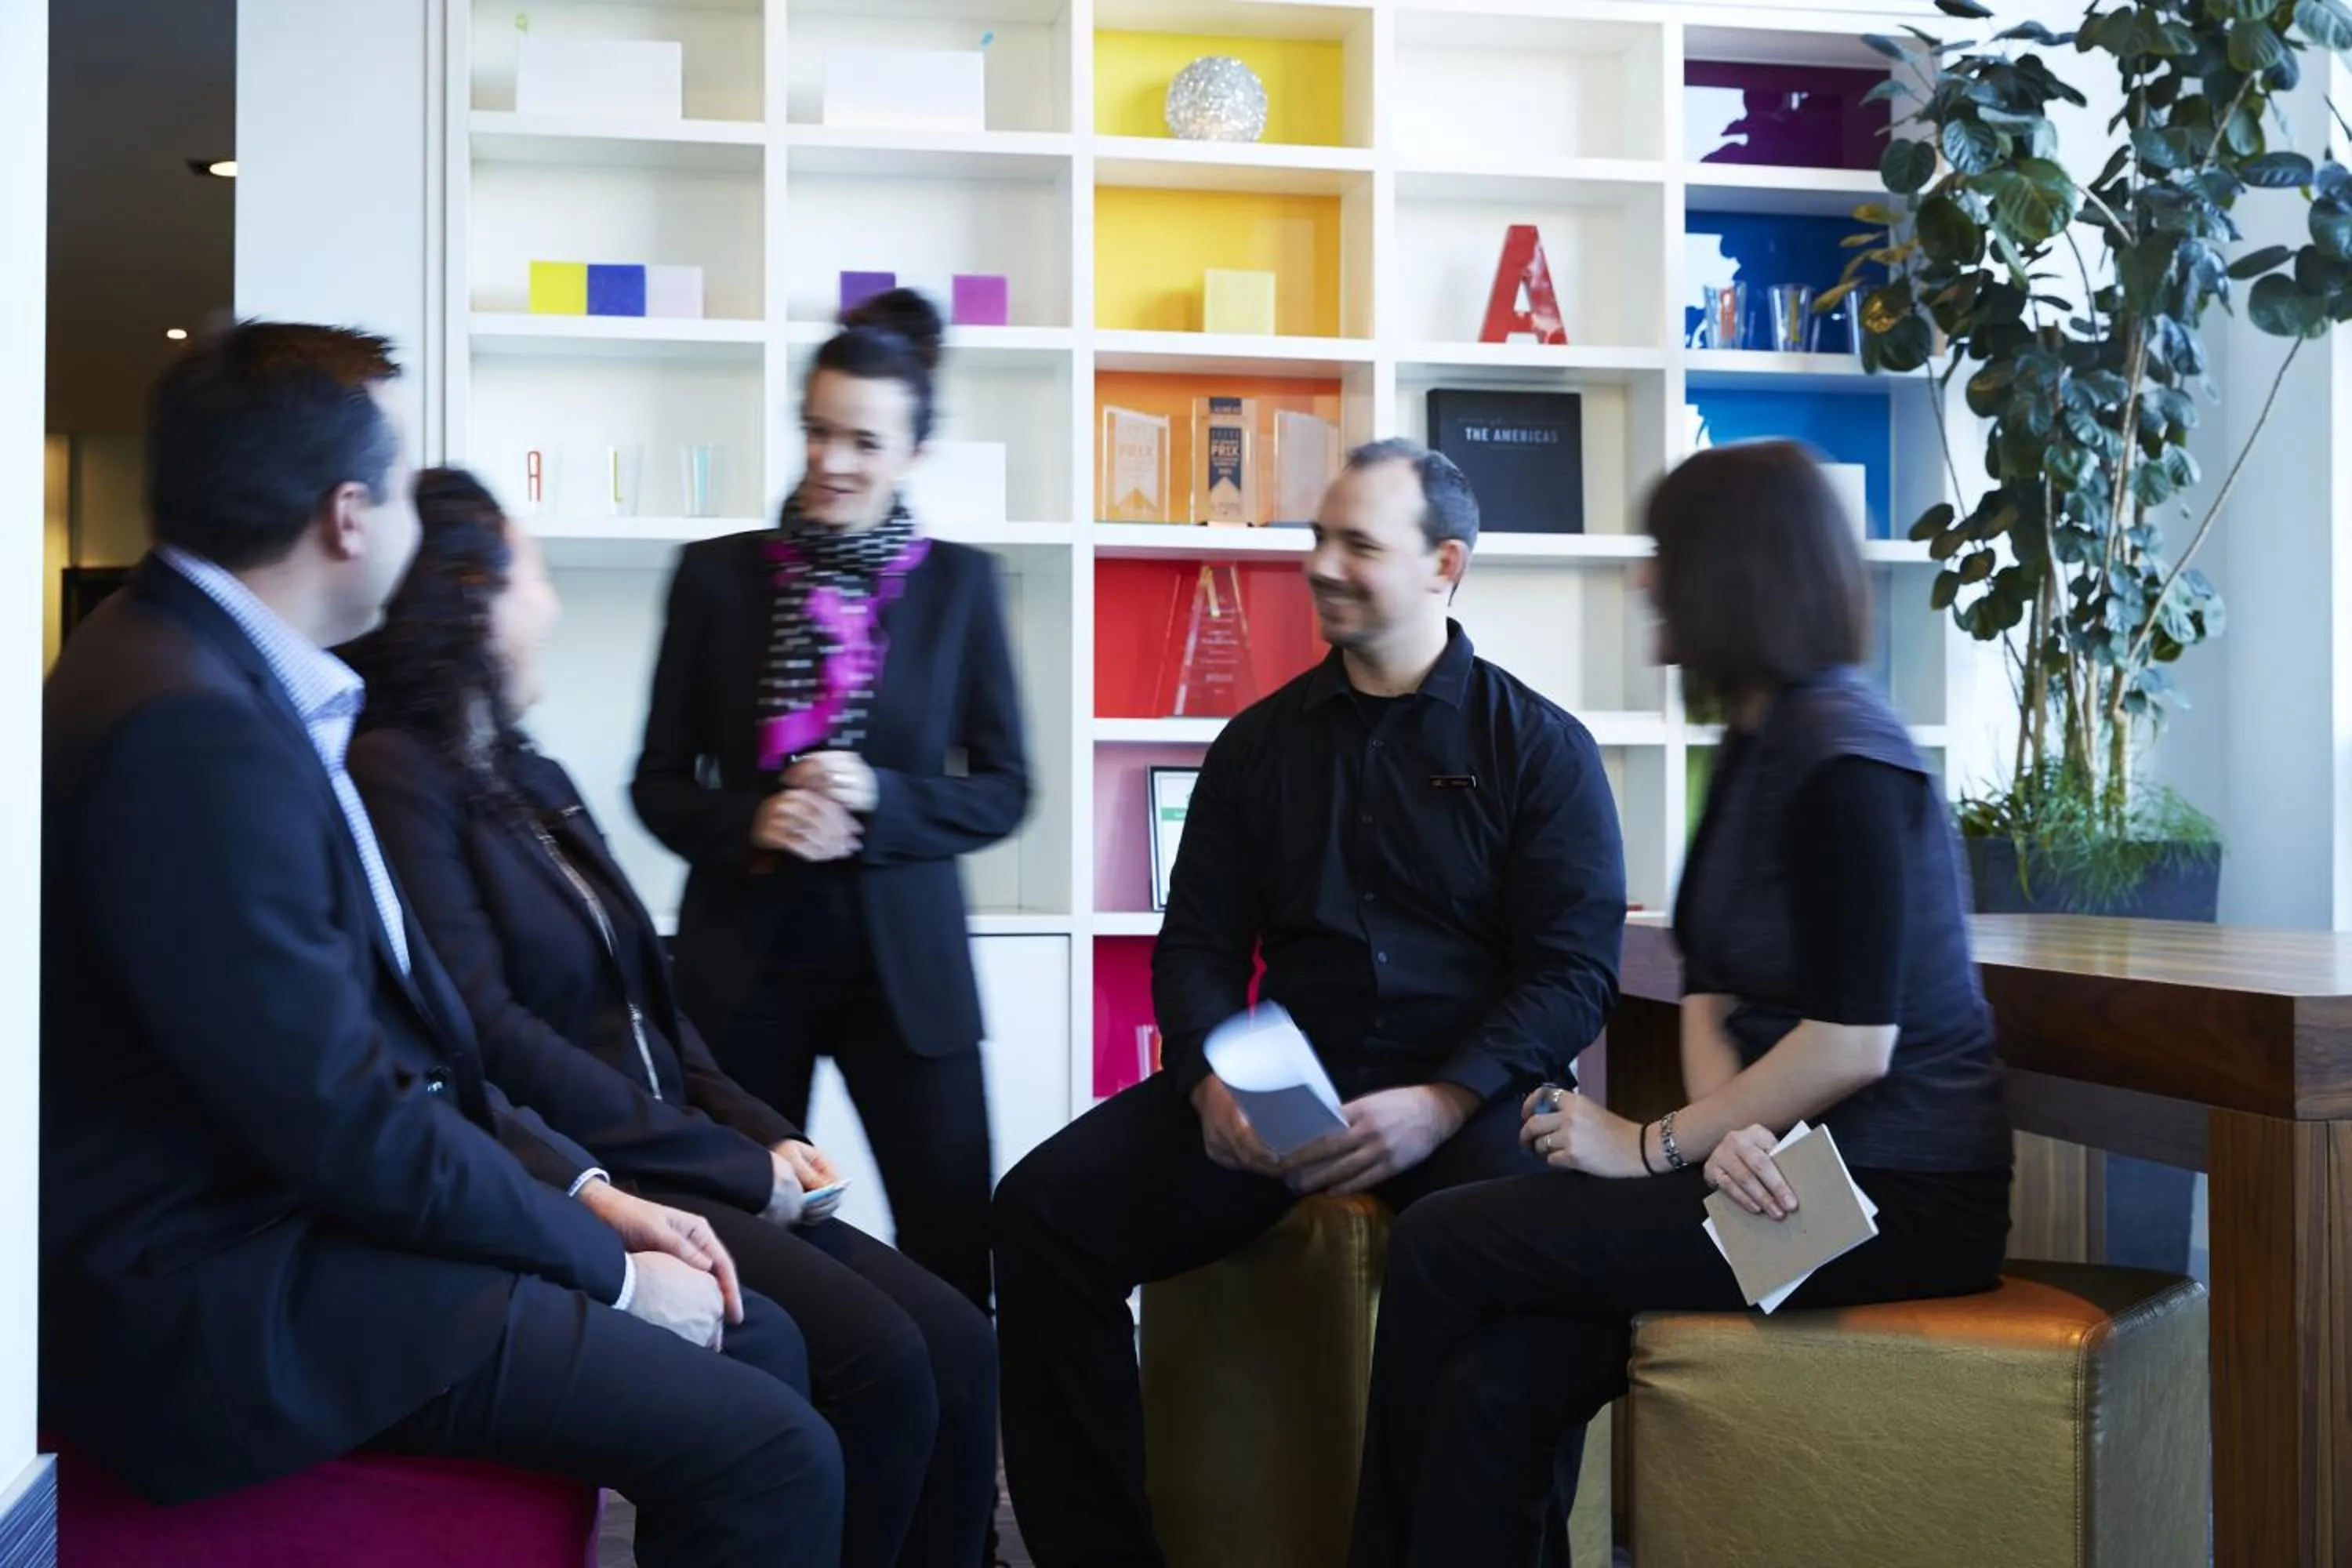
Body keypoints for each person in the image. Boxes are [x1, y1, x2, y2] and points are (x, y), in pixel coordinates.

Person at [39, 322, 843, 1568]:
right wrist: (608, 1269)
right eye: (406, 488)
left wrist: (595, 1195)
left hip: (286, 1214)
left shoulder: (202, 672)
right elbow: (343, 1113)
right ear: (347, 517)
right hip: (223, 1288)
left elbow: (398, 1046)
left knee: (762, 1338)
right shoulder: (185, 726)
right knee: (774, 1448)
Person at [1345, 441, 2016, 1568]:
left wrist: (1651, 1144)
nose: (1642, 580)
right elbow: (1714, 987)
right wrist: (1728, 1136)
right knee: (1498, 1383)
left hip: (1889, 1202)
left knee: (1444, 1243)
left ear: (1732, 572)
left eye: (1664, 556)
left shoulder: (1850, 754)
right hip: (1790, 1175)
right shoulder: (1762, 738)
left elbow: (1856, 1038)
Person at [343, 465, 999, 1568]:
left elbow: (649, 994)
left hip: (682, 1149)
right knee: (881, 1361)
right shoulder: (398, 778)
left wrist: (752, 1127)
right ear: (470, 598)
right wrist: (730, 1165)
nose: (550, 600)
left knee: (963, 1344)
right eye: (534, 573)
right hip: (606, 1168)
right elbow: (489, 1036)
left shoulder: (522, 767)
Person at [993, 438, 1629, 1567]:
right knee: (1039, 1217)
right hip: (1288, 1096)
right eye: (1318, 538)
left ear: (1444, 566)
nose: (1322, 564)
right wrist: (1205, 1081)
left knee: (1545, 1280)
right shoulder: (1255, 749)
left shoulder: (1543, 751)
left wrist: (1443, 1099)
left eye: (1358, 545)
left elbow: (1573, 975)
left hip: (1478, 1097)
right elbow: (1192, 949)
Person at [632, 287, 1028, 1316]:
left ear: (911, 450)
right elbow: (658, 782)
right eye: (816, 431)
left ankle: (952, 1474)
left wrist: (887, 798)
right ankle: (779, 1453)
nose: (831, 460)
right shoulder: (714, 579)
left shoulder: (962, 587)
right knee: (742, 1244)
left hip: (911, 968)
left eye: (862, 439)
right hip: (745, 957)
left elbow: (1006, 789)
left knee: (951, 1239)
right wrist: (752, 819)